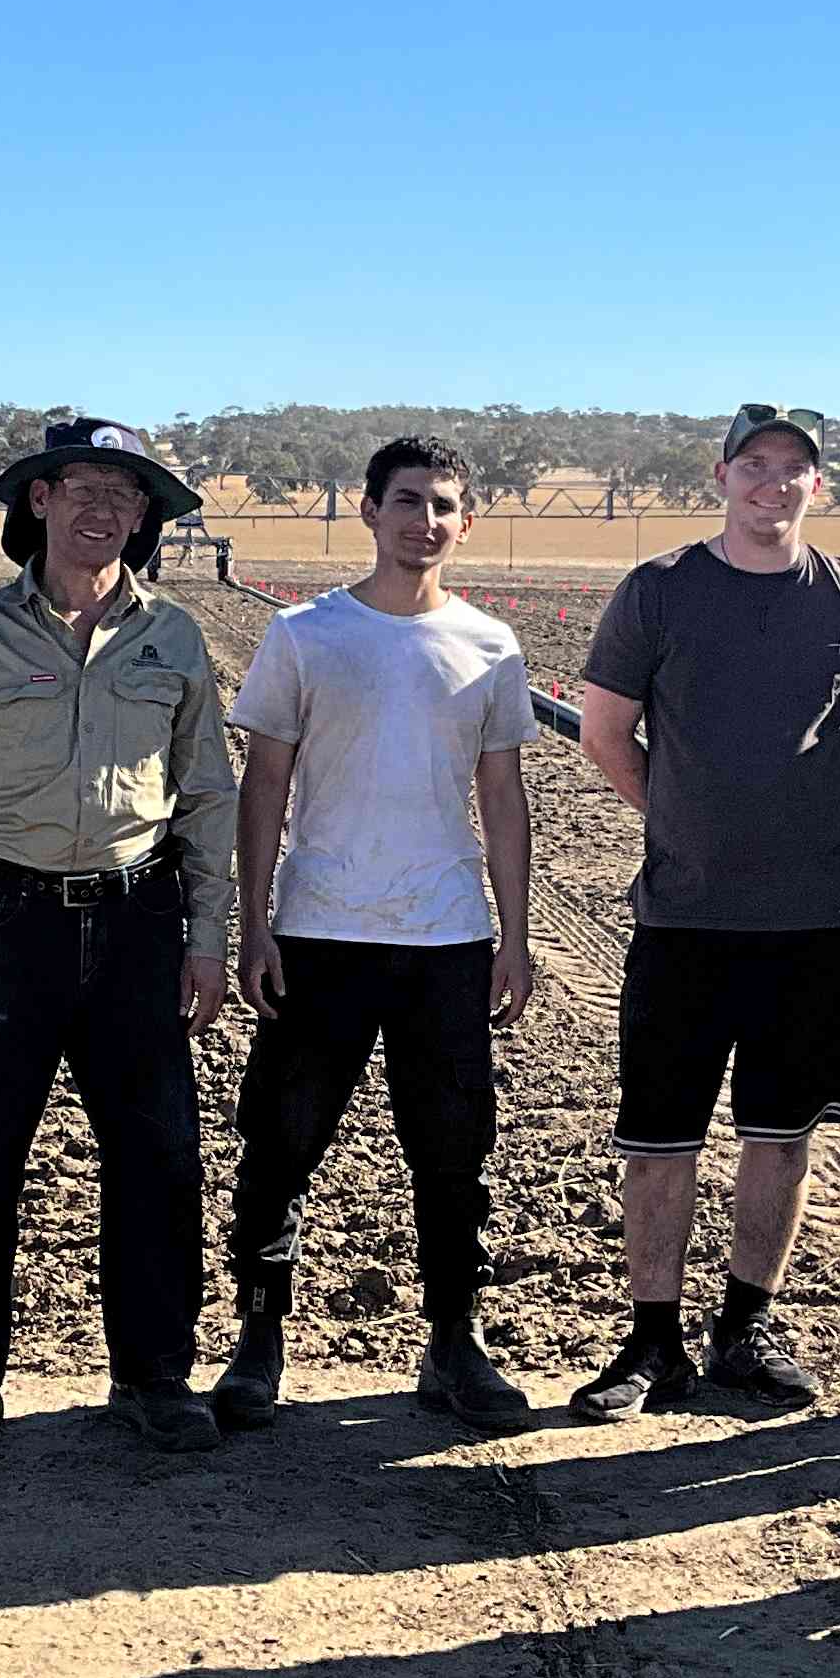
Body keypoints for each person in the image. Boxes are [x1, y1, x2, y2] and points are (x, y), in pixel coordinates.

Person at [0, 417, 240, 1464]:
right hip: (3, 920)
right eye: (82, 487)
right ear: (38, 500)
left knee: (159, 1153)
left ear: (144, 516)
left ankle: (154, 1376)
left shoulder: (172, 638)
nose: (102, 510)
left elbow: (205, 793)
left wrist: (207, 936)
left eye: (125, 495)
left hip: (138, 919)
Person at [569, 404, 840, 1417]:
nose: (774, 482)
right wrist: (681, 817)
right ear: (720, 476)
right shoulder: (660, 590)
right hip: (684, 919)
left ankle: (743, 1330)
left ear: (818, 485)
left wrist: (811, 823)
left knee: (780, 1134)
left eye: (793, 468)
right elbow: (605, 734)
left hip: (814, 924)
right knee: (660, 1137)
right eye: (755, 463)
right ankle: (652, 1342)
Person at [207, 435, 540, 1434]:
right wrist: (255, 924)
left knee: (453, 1152)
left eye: (442, 505)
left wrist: (515, 936)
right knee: (280, 1143)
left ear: (466, 523)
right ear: (368, 510)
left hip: (445, 937)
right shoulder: (307, 635)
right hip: (322, 932)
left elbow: (504, 798)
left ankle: (454, 1343)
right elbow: (264, 786)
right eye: (406, 501)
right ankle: (259, 1339)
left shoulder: (490, 645)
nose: (423, 521)